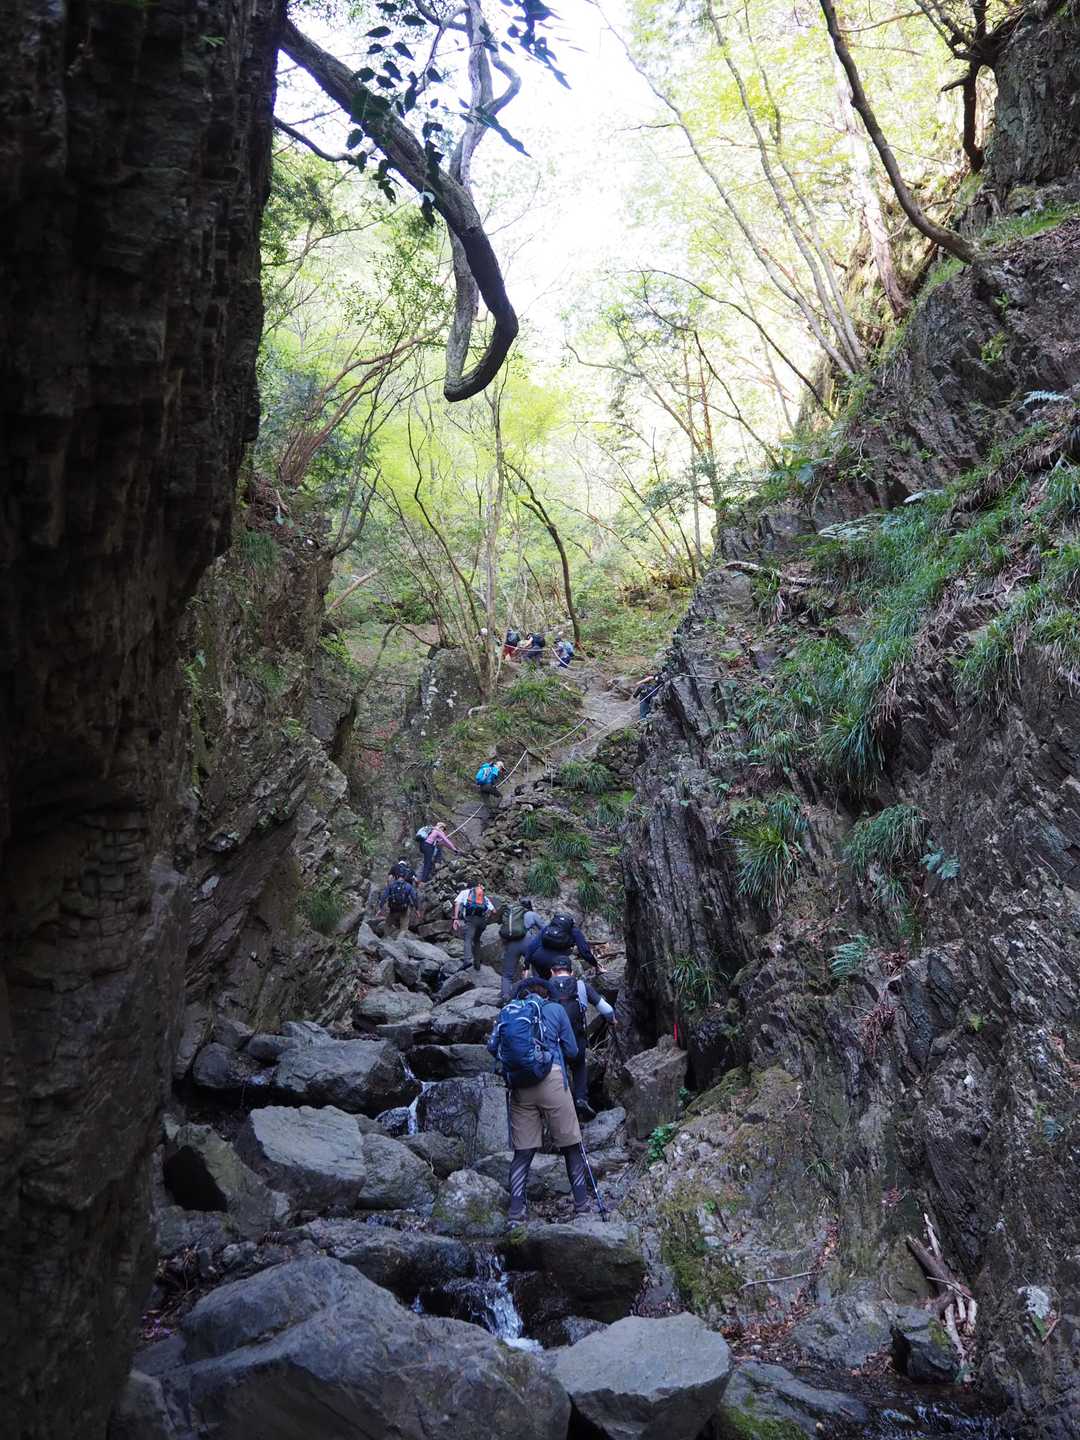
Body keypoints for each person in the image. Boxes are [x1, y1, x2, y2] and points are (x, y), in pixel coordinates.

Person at [487, 977, 597, 1223]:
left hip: (520, 1086)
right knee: (570, 1145)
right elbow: (572, 1051)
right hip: (552, 1081)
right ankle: (581, 1205)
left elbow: (493, 1048)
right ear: (547, 993)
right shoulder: (555, 1009)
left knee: (523, 1152)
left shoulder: (508, 1012)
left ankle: (516, 1211)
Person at [547, 957, 616, 1121]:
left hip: (553, 1042)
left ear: (552, 972)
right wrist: (612, 1019)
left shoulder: (545, 988)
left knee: (557, 1070)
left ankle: (560, 1106)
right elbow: (606, 1009)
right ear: (571, 972)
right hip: (576, 1039)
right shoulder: (581, 986)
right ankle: (580, 1099)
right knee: (579, 1066)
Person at [498, 896, 547, 1002]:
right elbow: (544, 928)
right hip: (528, 942)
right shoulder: (532, 914)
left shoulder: (512, 915)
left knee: (507, 974)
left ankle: (505, 997)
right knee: (537, 968)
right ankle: (539, 995)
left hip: (511, 944)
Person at [523, 910, 597, 980]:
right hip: (556, 963)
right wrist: (595, 964)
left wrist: (526, 966)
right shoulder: (574, 931)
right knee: (555, 984)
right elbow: (584, 951)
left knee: (542, 982)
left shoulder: (548, 928)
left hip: (537, 959)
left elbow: (532, 946)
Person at [453, 882, 497, 969]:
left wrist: (456, 918)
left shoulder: (465, 892)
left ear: (468, 887)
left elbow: (457, 903)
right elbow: (494, 911)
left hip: (471, 919)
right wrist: (486, 919)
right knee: (476, 940)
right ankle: (477, 964)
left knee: (468, 939)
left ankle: (467, 960)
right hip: (482, 920)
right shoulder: (482, 895)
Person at [376, 873, 421, 937]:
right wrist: (417, 910)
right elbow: (414, 898)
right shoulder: (408, 886)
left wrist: (380, 908)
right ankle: (400, 939)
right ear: (405, 877)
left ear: (396, 877)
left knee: (388, 924)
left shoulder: (391, 885)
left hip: (393, 908)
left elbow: (384, 896)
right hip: (403, 909)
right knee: (404, 925)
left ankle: (386, 937)